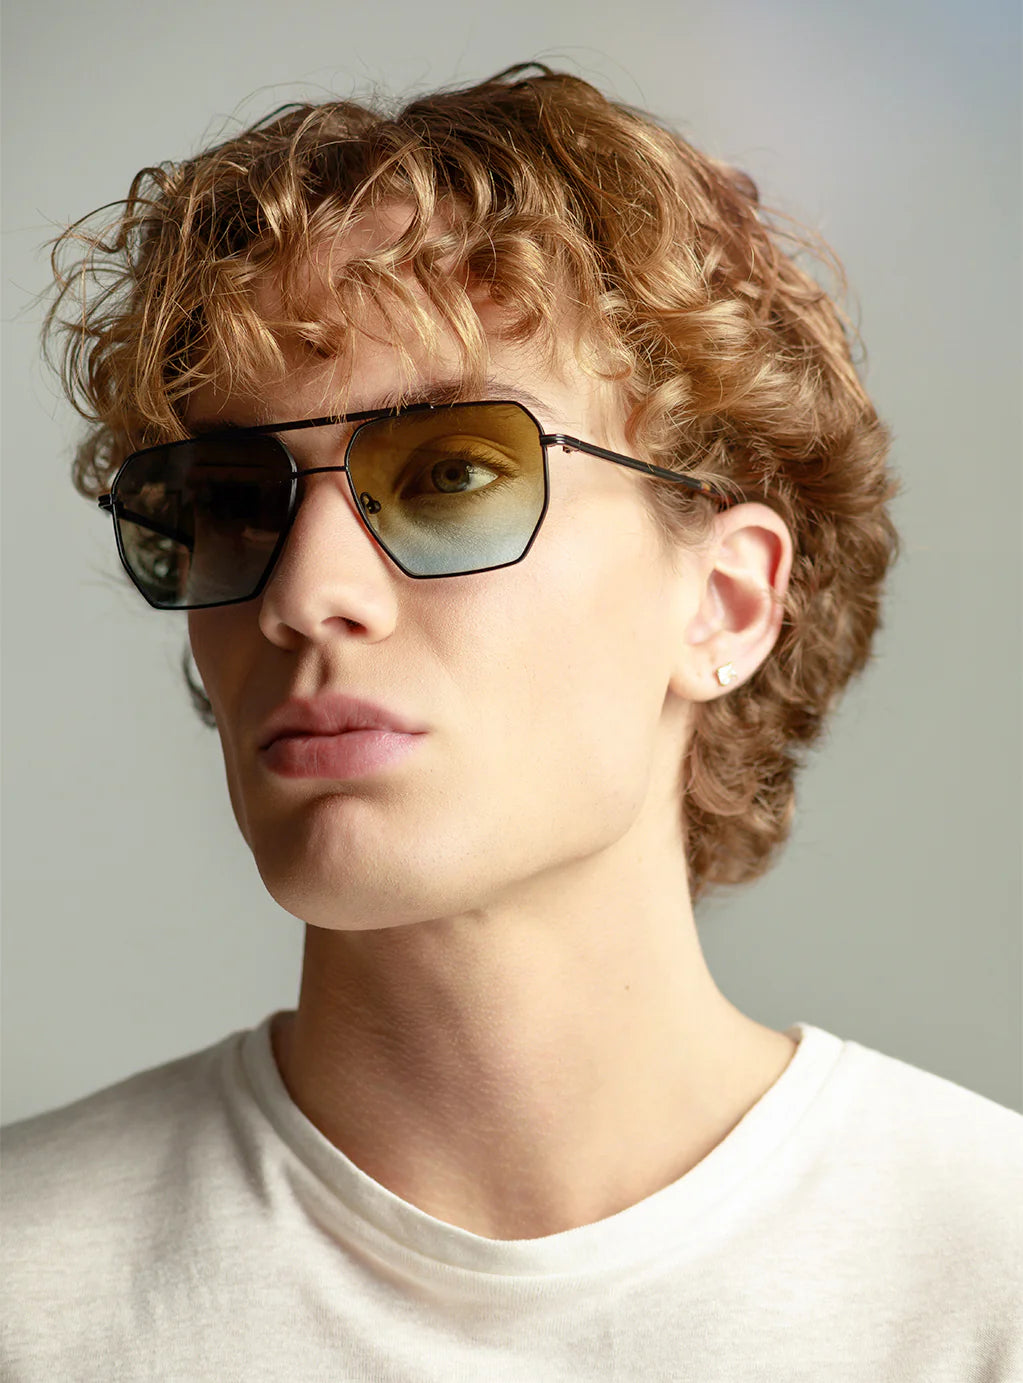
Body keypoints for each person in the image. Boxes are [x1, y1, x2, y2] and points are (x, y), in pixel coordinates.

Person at [2, 62, 1020, 1382]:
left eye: (452, 474)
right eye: (232, 503)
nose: (304, 596)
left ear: (725, 601)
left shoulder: (986, 1283)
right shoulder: (31, 1296)